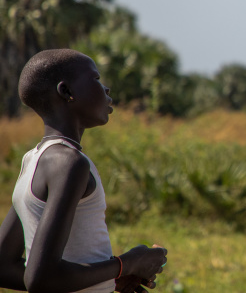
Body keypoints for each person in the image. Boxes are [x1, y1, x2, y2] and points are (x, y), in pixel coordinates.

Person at [0, 49, 168, 293]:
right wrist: (128, 263)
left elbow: (4, 267)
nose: (106, 89)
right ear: (66, 91)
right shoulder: (70, 163)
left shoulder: (33, 159)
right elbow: (42, 279)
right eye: (97, 80)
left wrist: (107, 278)